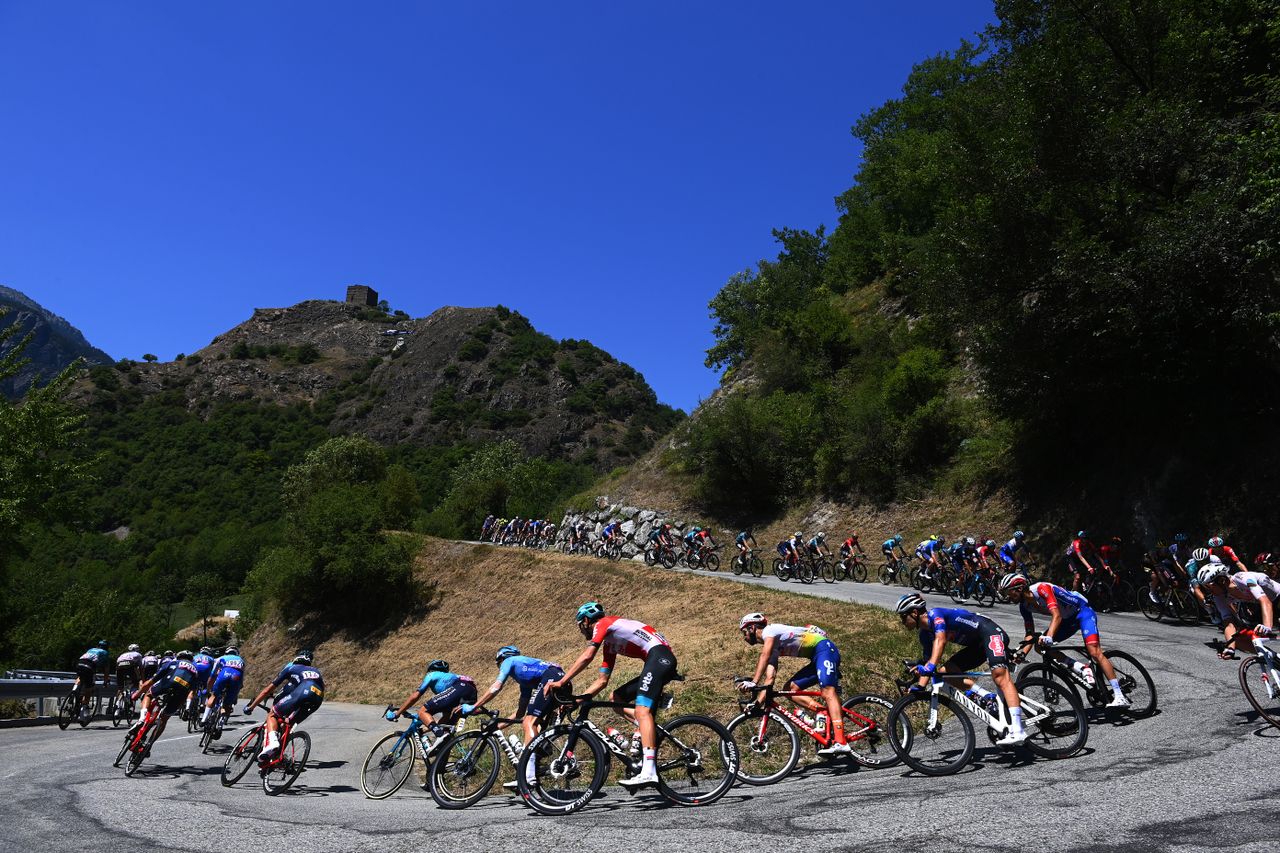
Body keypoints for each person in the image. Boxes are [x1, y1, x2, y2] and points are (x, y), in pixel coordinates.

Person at [546, 602, 677, 790]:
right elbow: (602, 681)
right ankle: (648, 729)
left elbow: (587, 656)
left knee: (642, 712)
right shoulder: (610, 644)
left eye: (580, 626)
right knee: (616, 699)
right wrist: (578, 700)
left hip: (659, 658)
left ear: (586, 620)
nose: (581, 631)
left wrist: (561, 681)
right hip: (658, 660)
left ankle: (649, 772)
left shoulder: (604, 623)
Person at [894, 593, 1026, 745]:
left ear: (915, 612)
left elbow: (941, 640)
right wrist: (919, 686)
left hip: (990, 632)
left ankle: (1018, 730)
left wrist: (929, 666)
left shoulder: (935, 615)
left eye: (903, 617)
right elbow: (929, 662)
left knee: (1000, 676)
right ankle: (986, 697)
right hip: (977, 645)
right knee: (945, 673)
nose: (902, 621)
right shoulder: (924, 634)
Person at [1000, 574, 1130, 707]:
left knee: (1094, 652)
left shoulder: (1042, 589)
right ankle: (1082, 669)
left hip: (1082, 612)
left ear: (1019, 588)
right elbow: (1030, 634)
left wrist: (1049, 637)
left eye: (1008, 592)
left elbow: (1056, 615)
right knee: (1040, 647)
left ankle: (1119, 696)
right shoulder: (1024, 607)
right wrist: (1022, 654)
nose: (1007, 597)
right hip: (1067, 620)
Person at [736, 613, 850, 755]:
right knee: (790, 689)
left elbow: (763, 656)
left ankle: (841, 741)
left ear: (752, 627)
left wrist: (753, 682)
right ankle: (822, 712)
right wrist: (758, 703)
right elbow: (769, 680)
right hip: (816, 658)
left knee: (827, 691)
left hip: (825, 650)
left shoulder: (769, 631)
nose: (744, 637)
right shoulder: (772, 649)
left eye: (744, 632)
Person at [462, 646, 567, 789]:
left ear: (501, 658)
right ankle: (540, 761)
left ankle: (527, 776)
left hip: (551, 679)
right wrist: (497, 727)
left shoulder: (509, 661)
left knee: (530, 723)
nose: (500, 667)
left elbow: (496, 687)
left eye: (499, 663)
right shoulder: (526, 679)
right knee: (533, 723)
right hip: (562, 679)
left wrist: (475, 706)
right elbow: (519, 713)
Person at [244, 650, 325, 762]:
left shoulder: (291, 668)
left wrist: (251, 707)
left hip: (303, 691)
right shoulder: (316, 670)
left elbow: (267, 690)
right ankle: (277, 756)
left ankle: (273, 743)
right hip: (318, 698)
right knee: (288, 725)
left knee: (272, 714)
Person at [1198, 563, 1280, 658]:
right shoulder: (1219, 597)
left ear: (1221, 580)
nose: (1207, 591)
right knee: (1237, 640)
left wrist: (1267, 627)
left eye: (1208, 587)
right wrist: (1230, 649)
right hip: (1262, 606)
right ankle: (1273, 657)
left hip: (1276, 598)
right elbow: (1229, 623)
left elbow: (1265, 601)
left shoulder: (1243, 578)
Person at [385, 658, 476, 734]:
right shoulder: (449, 681)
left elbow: (415, 696)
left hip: (460, 687)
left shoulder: (432, 674)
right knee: (447, 729)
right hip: (471, 691)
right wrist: (423, 730)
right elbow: (444, 717)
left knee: (422, 711)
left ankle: (440, 735)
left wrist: (397, 713)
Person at [131, 650, 199, 751]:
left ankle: (142, 718)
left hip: (169, 683)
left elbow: (149, 683)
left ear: (178, 657)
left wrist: (137, 694)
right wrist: (183, 706)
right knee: (164, 719)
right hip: (182, 691)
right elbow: (192, 693)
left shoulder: (173, 663)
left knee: (149, 694)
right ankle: (149, 744)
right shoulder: (195, 671)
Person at [201, 646, 245, 734]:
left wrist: (208, 689)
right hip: (236, 677)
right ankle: (220, 725)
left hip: (224, 675)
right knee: (228, 705)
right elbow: (242, 678)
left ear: (226, 652)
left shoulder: (221, 658)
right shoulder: (241, 660)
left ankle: (204, 719)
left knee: (213, 696)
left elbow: (213, 675)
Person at [74, 641, 111, 717]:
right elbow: (106, 670)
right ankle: (82, 713)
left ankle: (74, 690)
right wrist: (105, 681)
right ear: (107, 647)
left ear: (98, 645)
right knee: (89, 689)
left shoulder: (91, 649)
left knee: (80, 677)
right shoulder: (105, 653)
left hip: (80, 663)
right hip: (90, 666)